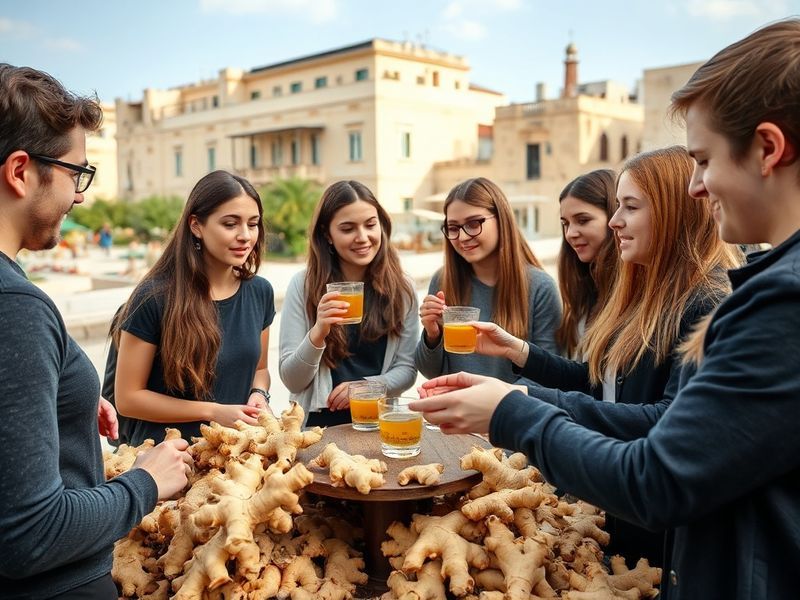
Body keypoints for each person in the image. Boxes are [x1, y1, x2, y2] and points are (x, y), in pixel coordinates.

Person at [411, 18, 800, 599]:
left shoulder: (766, 299)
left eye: (704, 159)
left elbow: (658, 471)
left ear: (768, 148)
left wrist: (511, 412)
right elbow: (603, 389)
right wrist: (519, 369)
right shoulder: (748, 287)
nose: (698, 185)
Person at [469, 146, 740, 566]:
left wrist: (519, 403)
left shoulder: (706, 301)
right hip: (622, 512)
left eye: (629, 207)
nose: (615, 221)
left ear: (674, 212)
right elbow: (600, 385)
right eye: (615, 207)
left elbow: (663, 418)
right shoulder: (645, 291)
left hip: (660, 534)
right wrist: (520, 351)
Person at [0, 63, 190, 600]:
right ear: (20, 171)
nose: (80, 195)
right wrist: (146, 482)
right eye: (75, 173)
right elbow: (29, 536)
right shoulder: (14, 306)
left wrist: (64, 406)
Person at [112, 170, 275, 445]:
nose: (246, 236)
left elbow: (259, 369)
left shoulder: (260, 292)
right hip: (166, 460)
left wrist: (259, 394)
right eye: (230, 224)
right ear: (196, 225)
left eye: (253, 224)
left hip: (233, 457)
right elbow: (128, 399)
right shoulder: (154, 296)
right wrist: (212, 412)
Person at [279, 180, 419, 427]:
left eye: (370, 225)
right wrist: (318, 332)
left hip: (379, 424)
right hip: (318, 429)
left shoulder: (402, 289)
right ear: (327, 235)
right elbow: (292, 380)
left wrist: (368, 386)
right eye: (347, 228)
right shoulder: (303, 285)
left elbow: (407, 369)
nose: (362, 237)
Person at [415, 177, 561, 382]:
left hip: (514, 412)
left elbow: (549, 374)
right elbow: (430, 372)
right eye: (454, 228)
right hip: (454, 410)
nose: (463, 237)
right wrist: (432, 335)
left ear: (501, 219)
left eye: (474, 224)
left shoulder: (540, 287)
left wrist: (495, 401)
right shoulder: (442, 280)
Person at [555, 169, 619, 358]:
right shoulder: (584, 291)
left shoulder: (632, 294)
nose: (570, 233)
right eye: (565, 224)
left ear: (613, 215)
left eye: (583, 220)